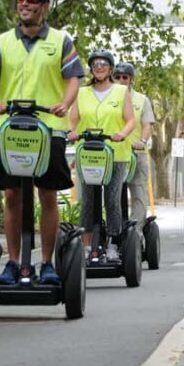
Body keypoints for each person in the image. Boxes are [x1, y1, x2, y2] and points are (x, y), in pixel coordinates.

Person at [0, 0, 84, 286]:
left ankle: (48, 263)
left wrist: (65, 103)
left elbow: (73, 78)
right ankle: (13, 262)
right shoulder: (3, 41)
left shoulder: (61, 41)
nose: (24, 3)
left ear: (45, 6)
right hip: (11, 126)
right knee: (12, 194)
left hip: (48, 127)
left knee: (47, 194)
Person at [68, 50, 135, 262]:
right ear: (91, 68)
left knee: (112, 199)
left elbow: (130, 120)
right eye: (95, 64)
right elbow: (73, 119)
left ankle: (114, 244)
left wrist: (122, 134)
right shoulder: (81, 93)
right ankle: (87, 246)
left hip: (116, 154)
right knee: (87, 200)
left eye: (103, 64)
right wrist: (71, 132)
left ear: (110, 68)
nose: (99, 67)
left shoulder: (120, 92)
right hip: (88, 154)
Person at [112, 62, 155, 233]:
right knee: (112, 195)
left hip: (135, 153)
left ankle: (135, 234)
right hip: (113, 155)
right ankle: (114, 233)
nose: (121, 80)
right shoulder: (107, 97)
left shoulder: (141, 100)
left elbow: (147, 125)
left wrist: (142, 141)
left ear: (131, 79)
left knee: (138, 193)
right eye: (118, 77)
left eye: (125, 77)